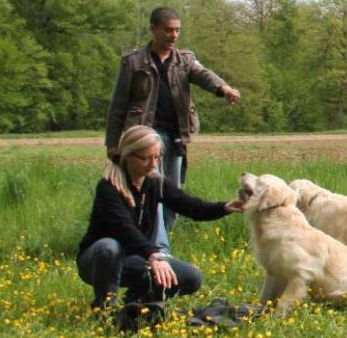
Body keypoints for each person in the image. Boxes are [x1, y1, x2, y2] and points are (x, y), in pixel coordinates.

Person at [105, 6, 241, 251]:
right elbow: (118, 105)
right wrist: (112, 143)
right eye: (168, 30)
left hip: (177, 136)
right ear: (153, 29)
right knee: (152, 191)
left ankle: (162, 238)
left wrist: (224, 89)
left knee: (173, 194)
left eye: (177, 30)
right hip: (145, 139)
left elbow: (204, 75)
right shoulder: (133, 62)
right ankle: (158, 248)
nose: (174, 35)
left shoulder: (184, 60)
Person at [77, 125, 242, 320]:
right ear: (128, 155)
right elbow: (124, 229)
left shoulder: (155, 183)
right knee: (109, 247)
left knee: (191, 277)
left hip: (136, 259)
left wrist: (224, 207)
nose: (153, 164)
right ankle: (104, 310)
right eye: (146, 158)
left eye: (156, 157)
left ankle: (137, 305)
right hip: (98, 262)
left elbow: (190, 206)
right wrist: (154, 255)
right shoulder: (108, 188)